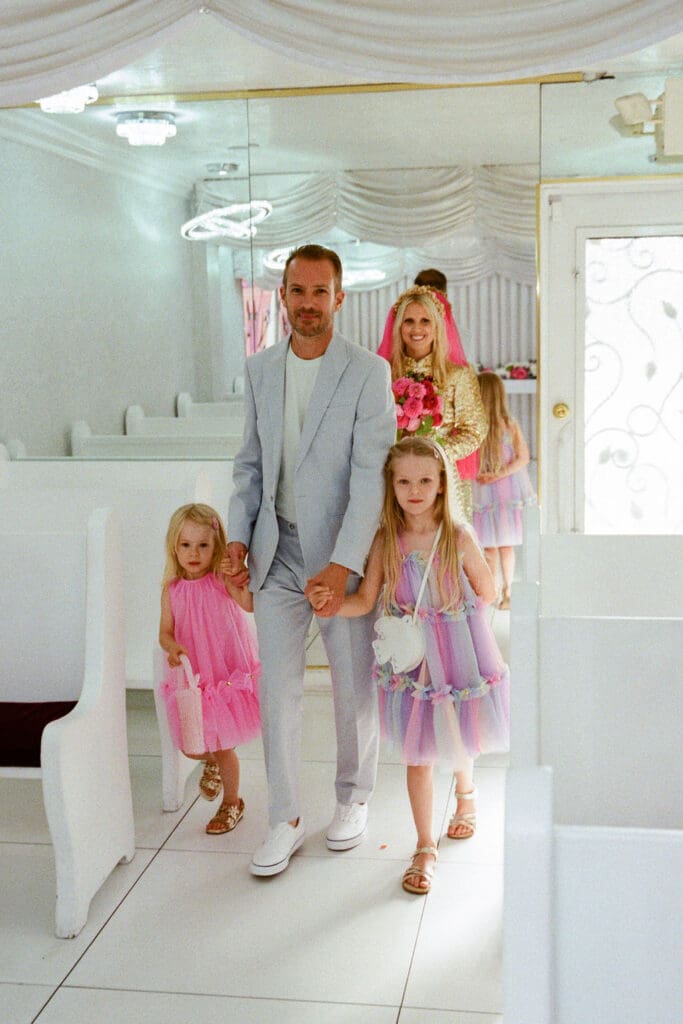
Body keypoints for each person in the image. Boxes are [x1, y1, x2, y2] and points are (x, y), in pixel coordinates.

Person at [226, 243, 396, 877]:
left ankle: (353, 797)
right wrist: (238, 539)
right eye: (297, 291)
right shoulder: (260, 369)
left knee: (353, 682)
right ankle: (286, 818)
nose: (307, 303)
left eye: (319, 292)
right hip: (276, 551)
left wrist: (345, 563)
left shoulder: (368, 372)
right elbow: (250, 465)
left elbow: (371, 478)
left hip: (340, 554)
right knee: (277, 689)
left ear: (338, 298)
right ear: (283, 296)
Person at [309, 436, 509, 894]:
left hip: (455, 652)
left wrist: (451, 619)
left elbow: (488, 591)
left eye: (424, 480)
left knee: (458, 731)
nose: (414, 490)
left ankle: (466, 794)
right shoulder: (386, 540)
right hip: (412, 660)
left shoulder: (457, 537)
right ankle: (424, 846)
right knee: (418, 753)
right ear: (391, 486)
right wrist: (331, 605)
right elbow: (365, 600)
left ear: (441, 483)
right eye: (404, 482)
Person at [158, 503, 261, 835]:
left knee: (222, 743)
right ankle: (212, 764)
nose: (194, 553)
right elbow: (165, 632)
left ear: (215, 547)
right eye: (186, 545)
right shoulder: (172, 589)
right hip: (192, 677)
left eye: (203, 545)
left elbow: (248, 605)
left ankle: (232, 802)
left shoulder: (220, 580)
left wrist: (240, 579)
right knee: (191, 747)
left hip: (222, 676)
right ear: (174, 547)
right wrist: (172, 647)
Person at [378, 284, 488, 520]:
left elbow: (475, 430)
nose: (416, 329)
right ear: (398, 326)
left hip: (443, 480)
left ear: (437, 326)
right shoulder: (383, 374)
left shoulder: (457, 375)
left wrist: (435, 454)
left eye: (425, 321)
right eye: (409, 321)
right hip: (396, 479)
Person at [472, 371, 537, 609]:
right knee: (497, 545)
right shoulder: (500, 426)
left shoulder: (506, 426)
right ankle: (500, 591)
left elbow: (523, 457)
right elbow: (523, 458)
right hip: (495, 489)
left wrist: (495, 474)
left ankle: (502, 591)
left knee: (494, 545)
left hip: (496, 490)